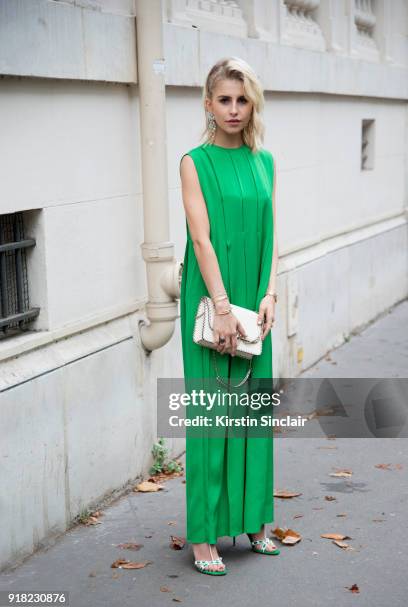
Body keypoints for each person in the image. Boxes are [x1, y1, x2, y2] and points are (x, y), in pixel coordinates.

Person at [179, 56, 279, 576]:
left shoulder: (266, 162)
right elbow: (201, 238)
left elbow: (272, 231)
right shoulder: (194, 162)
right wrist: (221, 308)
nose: (234, 109)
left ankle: (255, 522)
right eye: (225, 99)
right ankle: (203, 536)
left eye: (242, 99)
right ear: (208, 104)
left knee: (253, 414)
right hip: (211, 294)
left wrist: (269, 293)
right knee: (213, 415)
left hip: (253, 297)